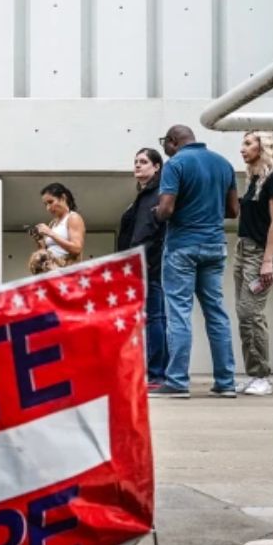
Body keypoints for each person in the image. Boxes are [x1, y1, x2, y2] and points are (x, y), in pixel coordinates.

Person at [150, 124, 239, 399]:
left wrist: (155, 213)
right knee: (216, 313)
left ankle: (176, 381)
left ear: (174, 141)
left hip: (182, 247)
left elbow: (166, 209)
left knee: (179, 313)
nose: (164, 148)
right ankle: (226, 382)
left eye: (165, 142)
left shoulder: (175, 164)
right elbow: (234, 210)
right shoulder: (224, 164)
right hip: (215, 246)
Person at [233, 131, 273, 397]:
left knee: (252, 314)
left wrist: (268, 261)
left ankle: (262, 375)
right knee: (244, 314)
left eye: (249, 143)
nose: (243, 148)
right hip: (243, 250)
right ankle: (253, 374)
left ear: (265, 147)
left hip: (259, 253)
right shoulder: (255, 180)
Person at [116, 148, 167, 388]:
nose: (137, 165)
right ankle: (151, 370)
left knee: (154, 318)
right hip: (139, 264)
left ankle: (156, 373)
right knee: (150, 318)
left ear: (157, 167)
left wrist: (139, 260)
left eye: (143, 162)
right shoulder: (144, 195)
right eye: (135, 161)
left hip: (148, 266)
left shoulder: (157, 194)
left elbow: (148, 233)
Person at [28, 183, 84, 274]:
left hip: (66, 272)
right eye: (45, 204)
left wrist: (50, 233)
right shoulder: (53, 223)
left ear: (63, 198)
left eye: (50, 202)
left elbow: (77, 249)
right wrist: (40, 240)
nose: (48, 208)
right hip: (50, 271)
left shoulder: (73, 218)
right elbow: (48, 251)